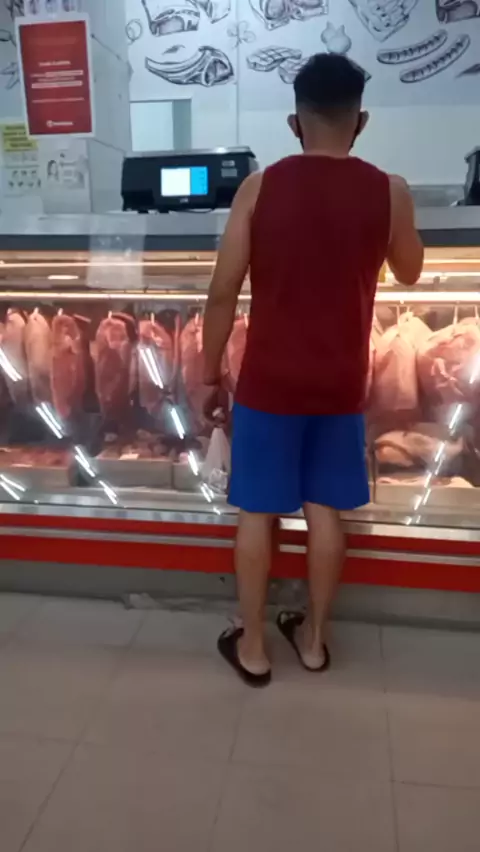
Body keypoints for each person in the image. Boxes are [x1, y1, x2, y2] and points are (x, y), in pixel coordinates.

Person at [203, 53, 424, 687]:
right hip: (340, 384)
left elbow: (223, 291)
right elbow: (410, 271)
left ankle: (253, 648)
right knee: (325, 511)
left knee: (257, 512)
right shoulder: (389, 189)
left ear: (295, 123)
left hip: (269, 383)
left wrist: (210, 374)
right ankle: (315, 640)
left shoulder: (259, 187)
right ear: (361, 121)